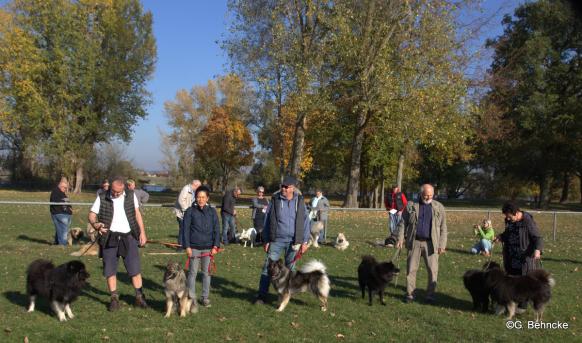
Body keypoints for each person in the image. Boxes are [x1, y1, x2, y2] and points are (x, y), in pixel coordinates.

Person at [88, 177, 148, 311]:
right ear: (110, 188)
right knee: (110, 270)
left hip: (129, 237)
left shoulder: (130, 195)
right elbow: (91, 214)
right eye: (113, 191)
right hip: (109, 237)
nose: (115, 194)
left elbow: (137, 214)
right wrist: (95, 224)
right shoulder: (102, 196)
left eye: (118, 192)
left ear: (123, 189)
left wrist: (142, 233)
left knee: (135, 269)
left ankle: (139, 297)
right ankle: (114, 299)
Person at [254, 176, 311, 304]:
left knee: (290, 271)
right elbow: (267, 220)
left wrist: (305, 241)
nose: (283, 189)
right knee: (267, 269)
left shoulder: (300, 201)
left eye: (286, 187)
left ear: (292, 188)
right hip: (276, 240)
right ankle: (261, 296)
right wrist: (266, 240)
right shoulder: (275, 200)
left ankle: (286, 295)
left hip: (294, 242)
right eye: (282, 186)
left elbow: (306, 222)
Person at [396, 184, 447, 304]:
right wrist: (400, 238)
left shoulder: (439, 207)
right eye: (426, 195)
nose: (428, 197)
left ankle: (430, 295)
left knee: (432, 271)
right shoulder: (411, 205)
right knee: (411, 270)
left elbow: (443, 228)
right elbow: (403, 223)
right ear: (421, 194)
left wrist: (442, 245)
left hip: (431, 244)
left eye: (430, 195)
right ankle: (410, 294)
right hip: (414, 242)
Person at [495, 202, 543, 313]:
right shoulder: (509, 221)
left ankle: (522, 306)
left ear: (516, 213)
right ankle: (509, 303)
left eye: (509, 215)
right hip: (511, 256)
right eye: (506, 215)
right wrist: (501, 237)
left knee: (524, 282)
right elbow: (508, 233)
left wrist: (537, 250)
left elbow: (538, 237)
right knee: (511, 281)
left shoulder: (527, 221)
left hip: (524, 259)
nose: (507, 218)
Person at [183, 186, 220, 307]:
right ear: (195, 197)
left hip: (208, 248)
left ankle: (205, 297)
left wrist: (215, 246)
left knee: (206, 273)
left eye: (203, 197)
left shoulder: (212, 212)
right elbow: (185, 230)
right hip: (194, 247)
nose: (201, 199)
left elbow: (216, 229)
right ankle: (192, 298)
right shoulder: (190, 211)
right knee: (192, 273)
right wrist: (187, 246)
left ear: (207, 198)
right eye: (198, 197)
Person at [174, 180, 202, 249]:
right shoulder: (186, 189)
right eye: (199, 187)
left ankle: (185, 245)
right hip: (181, 214)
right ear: (195, 185)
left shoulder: (194, 191)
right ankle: (180, 247)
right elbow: (180, 200)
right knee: (182, 230)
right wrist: (187, 210)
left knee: (187, 230)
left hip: (188, 214)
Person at [49, 179, 73, 246]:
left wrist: (70, 209)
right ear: (60, 186)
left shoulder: (62, 193)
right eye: (65, 188)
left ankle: (57, 242)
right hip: (59, 213)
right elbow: (57, 202)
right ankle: (62, 244)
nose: (66, 189)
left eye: (66, 188)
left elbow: (67, 202)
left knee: (60, 228)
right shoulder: (55, 192)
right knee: (64, 229)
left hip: (66, 214)